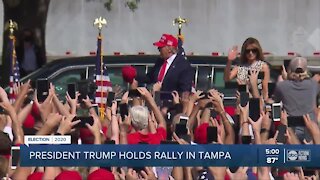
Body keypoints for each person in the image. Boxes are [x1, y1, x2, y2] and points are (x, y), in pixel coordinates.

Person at [273, 57, 320, 140]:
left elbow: (276, 101)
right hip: (310, 129)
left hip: (289, 129)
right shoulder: (314, 85)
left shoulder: (281, 86)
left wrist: (286, 79)